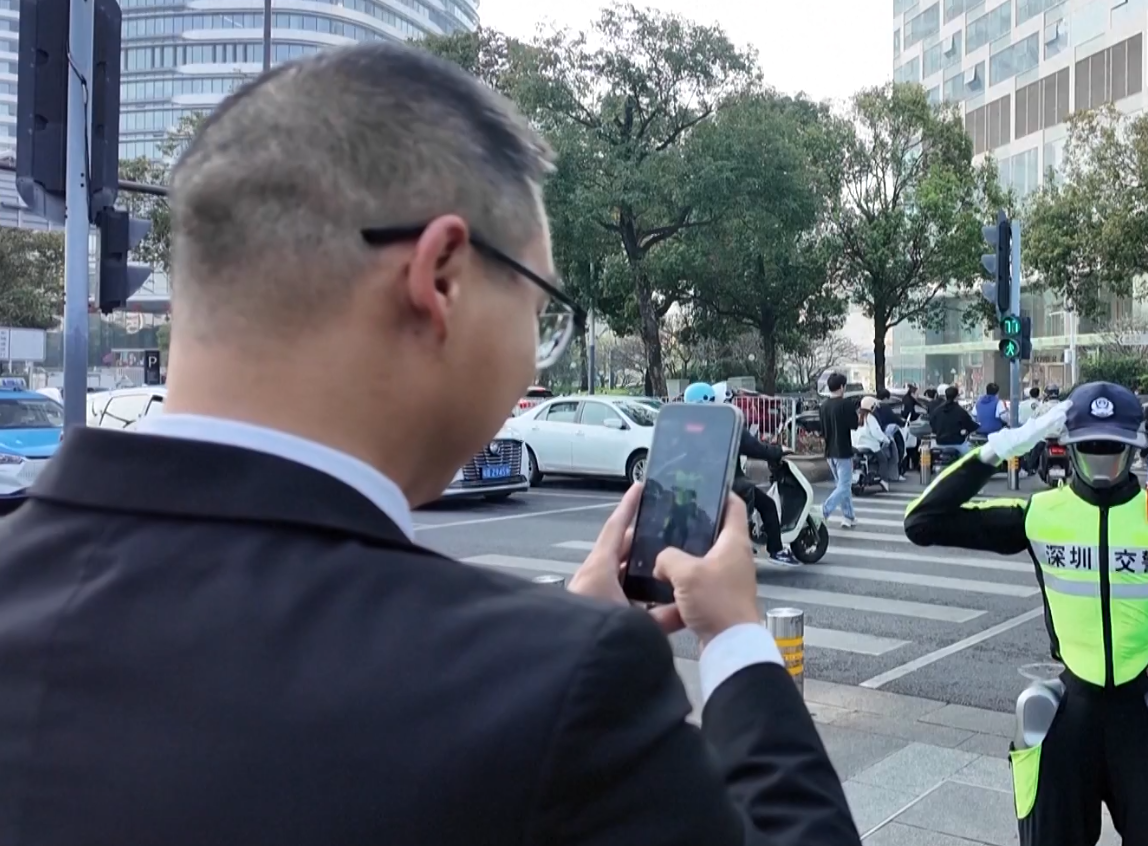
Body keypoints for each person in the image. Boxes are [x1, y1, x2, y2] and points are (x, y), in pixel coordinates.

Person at [0, 44, 858, 846]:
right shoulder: (559, 689)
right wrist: (736, 639)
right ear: (440, 277)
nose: (535, 351)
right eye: (538, 310)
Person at [904, 382, 1148, 846]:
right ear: (1069, 449)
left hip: (1140, 723)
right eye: (1090, 449)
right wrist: (1002, 446)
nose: (1101, 464)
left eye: (1113, 451)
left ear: (1135, 450)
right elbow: (921, 522)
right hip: (1068, 722)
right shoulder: (1042, 514)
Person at [686, 382, 796, 566]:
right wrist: (778, 451)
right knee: (767, 505)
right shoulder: (726, 425)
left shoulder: (688, 427)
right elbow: (755, 448)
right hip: (730, 483)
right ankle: (775, 550)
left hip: (700, 485)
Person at [819, 372, 859, 530]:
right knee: (844, 486)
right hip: (843, 451)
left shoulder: (823, 407)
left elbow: (822, 430)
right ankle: (824, 510)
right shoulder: (846, 404)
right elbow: (854, 424)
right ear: (842, 387)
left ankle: (849, 516)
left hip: (829, 451)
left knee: (842, 485)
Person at [852, 396, 897, 483]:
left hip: (855, 446)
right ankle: (883, 480)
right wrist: (886, 440)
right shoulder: (870, 417)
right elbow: (876, 433)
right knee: (883, 460)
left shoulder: (856, 416)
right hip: (870, 446)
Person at [927, 386, 979, 453]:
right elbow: (970, 425)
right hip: (958, 444)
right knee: (973, 454)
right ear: (957, 397)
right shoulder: (961, 411)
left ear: (946, 396)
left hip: (940, 444)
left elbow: (932, 424)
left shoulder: (937, 411)